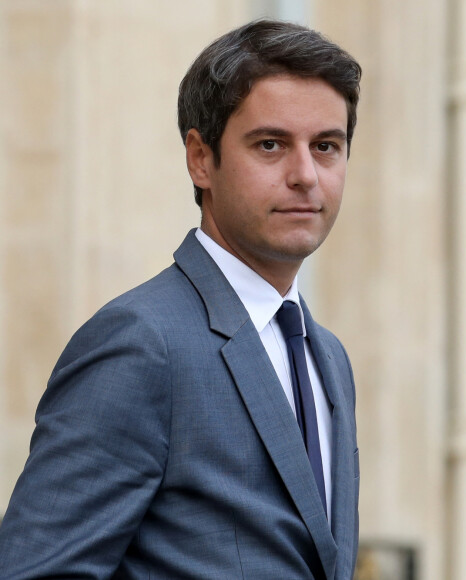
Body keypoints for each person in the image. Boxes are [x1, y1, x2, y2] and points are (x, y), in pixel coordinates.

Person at [0, 19, 361, 580]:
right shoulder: (141, 342)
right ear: (200, 158)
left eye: (326, 147)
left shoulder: (328, 357)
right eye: (271, 145)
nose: (306, 175)